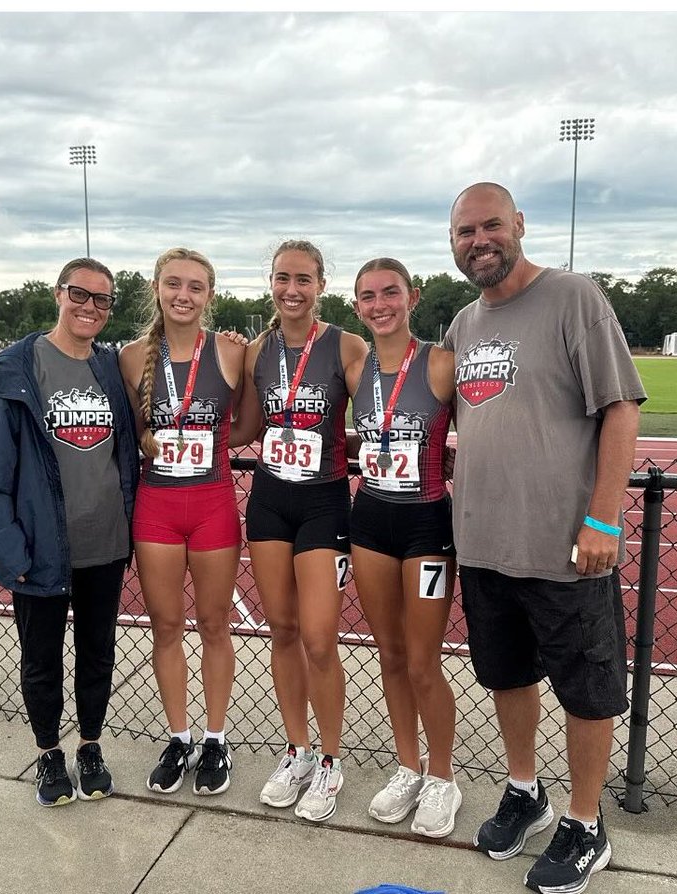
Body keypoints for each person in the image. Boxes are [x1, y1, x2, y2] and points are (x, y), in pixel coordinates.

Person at [444, 183, 645, 894]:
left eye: (491, 225)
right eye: (465, 231)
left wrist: (603, 517)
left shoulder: (572, 297)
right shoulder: (463, 324)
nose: (479, 241)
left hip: (564, 546)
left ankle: (586, 823)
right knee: (507, 676)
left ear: (520, 225)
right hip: (483, 543)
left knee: (586, 690)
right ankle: (525, 791)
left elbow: (621, 408)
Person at [0, 257, 140, 807]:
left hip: (105, 545)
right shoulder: (10, 371)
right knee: (41, 661)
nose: (90, 307)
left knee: (97, 655)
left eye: (102, 299)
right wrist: (9, 553)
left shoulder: (110, 368)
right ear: (58, 294)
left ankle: (89, 746)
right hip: (40, 549)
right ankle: (48, 753)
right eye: (79, 294)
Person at [237, 239, 368, 823]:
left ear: (320, 286)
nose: (292, 290)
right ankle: (296, 750)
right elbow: (245, 426)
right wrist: (172, 433)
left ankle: (331, 759)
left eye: (303, 280)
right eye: (283, 278)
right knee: (283, 631)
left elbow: (379, 413)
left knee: (319, 638)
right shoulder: (256, 351)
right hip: (269, 502)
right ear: (271, 283)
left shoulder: (346, 345)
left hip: (323, 504)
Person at [118, 248, 246, 797]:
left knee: (215, 626)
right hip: (157, 509)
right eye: (173, 284)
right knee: (166, 627)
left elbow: (250, 424)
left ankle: (215, 738)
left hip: (213, 505)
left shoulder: (232, 352)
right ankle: (179, 737)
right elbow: (133, 428)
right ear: (156, 288)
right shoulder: (130, 357)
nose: (183, 295)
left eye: (195, 287)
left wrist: (208, 443)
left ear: (209, 295)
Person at [346, 258, 461, 837]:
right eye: (368, 296)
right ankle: (408, 766)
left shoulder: (440, 363)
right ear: (357, 306)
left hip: (427, 525)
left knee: (422, 660)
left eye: (390, 292)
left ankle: (442, 776)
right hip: (370, 521)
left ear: (412, 297)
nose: (380, 305)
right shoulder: (355, 367)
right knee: (389, 654)